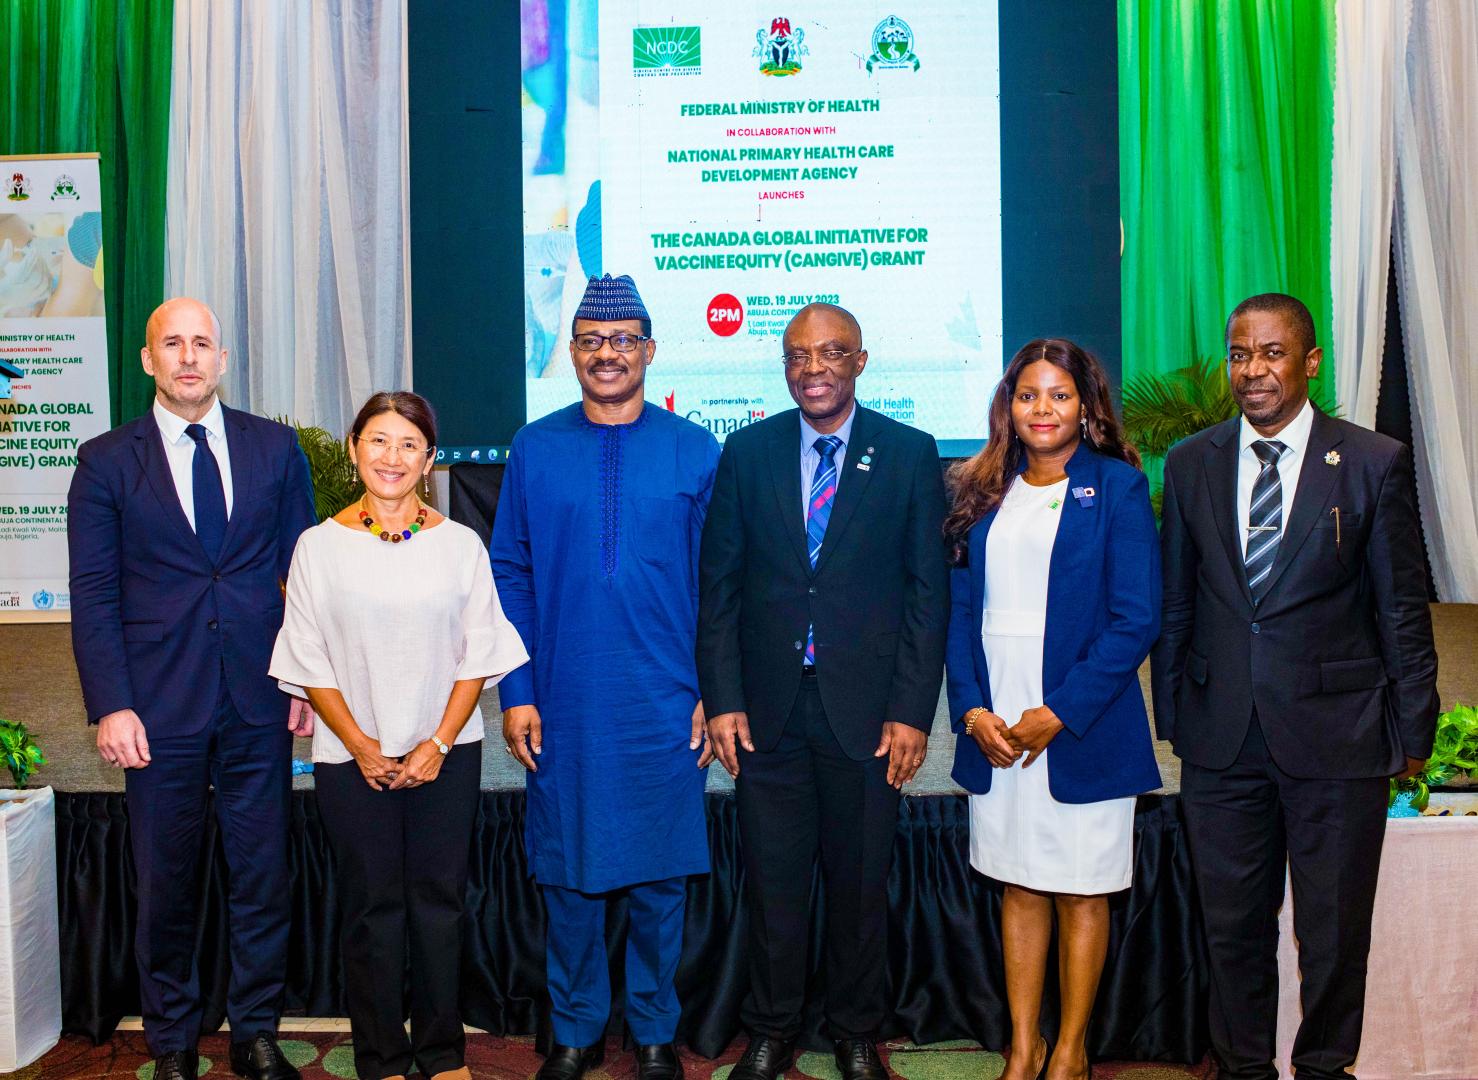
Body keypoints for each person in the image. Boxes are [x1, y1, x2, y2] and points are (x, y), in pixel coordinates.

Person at [1151, 293, 1439, 1080]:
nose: (1253, 371)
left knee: (1335, 931)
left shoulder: (1373, 461)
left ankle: (1323, 1068)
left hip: (1338, 737)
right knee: (1231, 927)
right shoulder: (1190, 461)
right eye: (1240, 353)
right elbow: (1178, 601)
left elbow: (1400, 611)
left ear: (1309, 362)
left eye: (1272, 354)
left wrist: (1415, 732)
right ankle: (1243, 1067)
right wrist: (1172, 713)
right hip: (1222, 737)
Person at [697, 303, 949, 1080]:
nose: (815, 368)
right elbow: (721, 591)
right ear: (784, 365)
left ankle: (855, 1032)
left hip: (869, 716)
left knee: (860, 884)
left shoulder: (909, 454)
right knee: (772, 885)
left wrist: (912, 713)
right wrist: (725, 697)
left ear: (861, 362)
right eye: (800, 355)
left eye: (833, 353)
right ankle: (771, 1030)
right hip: (767, 712)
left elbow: (925, 597)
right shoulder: (746, 452)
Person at [68, 298, 316, 1080]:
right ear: (147, 360)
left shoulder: (275, 450)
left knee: (261, 873)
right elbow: (94, 593)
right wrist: (111, 703)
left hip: (258, 699)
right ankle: (172, 1041)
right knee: (166, 879)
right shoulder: (106, 461)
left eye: (201, 344)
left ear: (222, 357)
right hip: (156, 707)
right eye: (171, 344)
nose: (187, 357)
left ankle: (257, 1031)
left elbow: (302, 580)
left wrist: (306, 677)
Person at [490, 274, 719, 1080]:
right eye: (591, 340)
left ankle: (655, 1032)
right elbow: (508, 574)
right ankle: (577, 1029)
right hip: (566, 700)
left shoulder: (696, 449)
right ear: (573, 353)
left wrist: (710, 696)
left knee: (661, 879)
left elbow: (719, 588)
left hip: (666, 702)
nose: (608, 354)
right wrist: (516, 692)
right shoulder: (534, 447)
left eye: (623, 341)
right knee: (570, 877)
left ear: (649, 351)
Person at [270, 391, 528, 1080]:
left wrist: (437, 742)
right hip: (349, 758)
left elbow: (480, 655)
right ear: (355, 449)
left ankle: (442, 1053)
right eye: (379, 441)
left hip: (447, 754)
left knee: (440, 907)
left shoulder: (459, 545)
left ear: (430, 460)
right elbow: (306, 657)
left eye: (408, 444)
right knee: (371, 911)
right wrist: (359, 744)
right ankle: (380, 1057)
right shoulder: (317, 548)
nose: (393, 457)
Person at [944, 340, 1161, 1080]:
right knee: (1019, 882)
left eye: (1059, 395)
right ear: (1009, 406)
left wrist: (1058, 712)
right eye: (1028, 395)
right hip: (997, 725)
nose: (1043, 409)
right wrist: (973, 712)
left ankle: (1068, 1049)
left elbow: (1136, 620)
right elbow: (960, 612)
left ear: (1086, 406)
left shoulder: (1117, 489)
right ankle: (1022, 1045)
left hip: (1081, 724)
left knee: (1081, 889)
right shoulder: (979, 488)